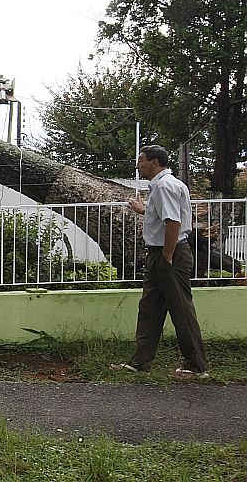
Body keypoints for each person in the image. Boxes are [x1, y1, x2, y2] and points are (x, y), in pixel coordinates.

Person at [110, 145, 209, 379]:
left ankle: (196, 366)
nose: (138, 165)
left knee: (180, 309)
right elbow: (165, 217)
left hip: (169, 254)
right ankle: (140, 362)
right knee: (150, 308)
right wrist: (144, 210)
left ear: (154, 162)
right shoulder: (162, 186)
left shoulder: (165, 186)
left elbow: (173, 223)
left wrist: (167, 257)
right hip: (161, 253)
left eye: (141, 160)